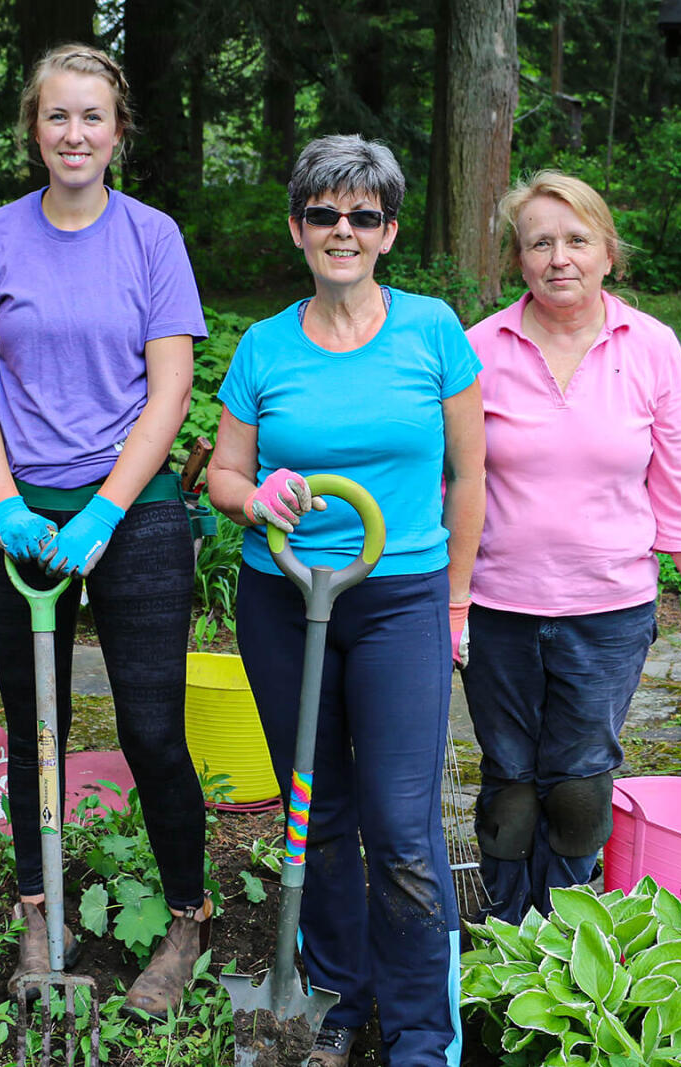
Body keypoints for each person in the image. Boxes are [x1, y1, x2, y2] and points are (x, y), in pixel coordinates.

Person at [0, 44, 210, 1017]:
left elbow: (170, 387)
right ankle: (36, 913)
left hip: (131, 511)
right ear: (33, 128)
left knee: (149, 727)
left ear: (119, 131)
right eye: (57, 117)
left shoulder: (152, 238)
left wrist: (103, 509)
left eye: (92, 117)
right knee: (35, 730)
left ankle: (187, 912)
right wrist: (4, 505)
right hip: (19, 511)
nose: (74, 135)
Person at [208, 134, 486, 1067]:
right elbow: (222, 474)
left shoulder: (433, 331)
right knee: (313, 809)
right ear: (298, 228)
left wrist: (453, 606)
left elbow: (470, 473)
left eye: (362, 215)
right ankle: (333, 995)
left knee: (402, 826)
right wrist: (258, 496)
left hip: (398, 596)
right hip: (284, 595)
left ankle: (419, 1032)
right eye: (324, 213)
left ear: (388, 232)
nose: (343, 230)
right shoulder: (262, 346)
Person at [462, 170, 681, 926]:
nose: (560, 257)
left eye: (577, 240)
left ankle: (566, 935)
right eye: (539, 242)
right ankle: (501, 932)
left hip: (609, 612)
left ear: (608, 253)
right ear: (517, 260)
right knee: (512, 784)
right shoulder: (477, 349)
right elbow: (448, 483)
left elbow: (679, 488)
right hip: (498, 609)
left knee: (580, 785)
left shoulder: (651, 348)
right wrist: (442, 600)